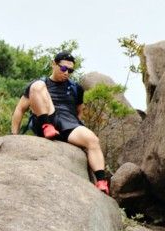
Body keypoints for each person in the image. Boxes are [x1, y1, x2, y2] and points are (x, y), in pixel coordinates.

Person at [11, 51, 109, 195]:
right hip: (46, 117)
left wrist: (79, 128)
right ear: (54, 64)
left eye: (70, 70)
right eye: (63, 68)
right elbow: (20, 109)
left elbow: (79, 112)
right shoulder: (42, 84)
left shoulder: (76, 88)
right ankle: (47, 126)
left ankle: (101, 182)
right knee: (36, 85)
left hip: (68, 124)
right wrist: (14, 135)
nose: (66, 73)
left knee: (92, 140)